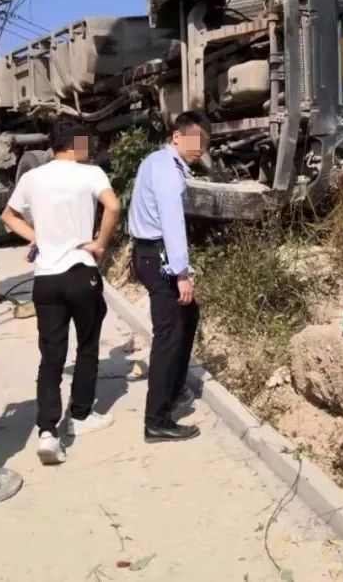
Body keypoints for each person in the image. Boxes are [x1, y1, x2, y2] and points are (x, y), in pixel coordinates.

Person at [0, 120, 121, 464]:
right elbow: (113, 206)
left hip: (46, 280)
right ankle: (80, 416)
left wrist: (36, 237)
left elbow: (8, 215)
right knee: (86, 346)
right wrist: (100, 243)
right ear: (76, 143)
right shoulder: (91, 173)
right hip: (80, 273)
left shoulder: (32, 178)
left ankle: (48, 431)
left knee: (51, 356)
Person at [128, 111, 211, 443]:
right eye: (195, 141)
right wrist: (181, 274)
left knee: (188, 317)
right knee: (169, 335)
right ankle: (156, 419)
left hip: (148, 253)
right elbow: (172, 223)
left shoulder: (158, 162)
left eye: (205, 144)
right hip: (158, 257)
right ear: (177, 137)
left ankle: (174, 390)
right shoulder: (166, 171)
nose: (200, 149)